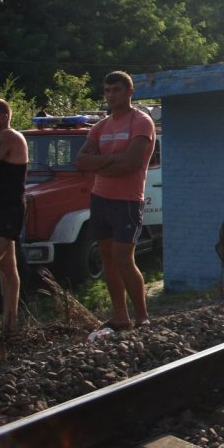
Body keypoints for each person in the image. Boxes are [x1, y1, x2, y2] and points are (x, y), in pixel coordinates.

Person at [75, 72, 156, 329]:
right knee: (108, 258)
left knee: (123, 258)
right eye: (107, 90)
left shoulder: (141, 122)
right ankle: (121, 316)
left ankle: (142, 316)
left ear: (129, 92)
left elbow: (132, 163)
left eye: (116, 90)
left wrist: (99, 163)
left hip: (127, 201)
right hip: (101, 199)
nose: (111, 95)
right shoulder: (100, 127)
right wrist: (112, 162)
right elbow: (81, 161)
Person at [0, 99, 28, 335]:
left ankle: (10, 323)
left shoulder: (8, 136)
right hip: (1, 208)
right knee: (8, 269)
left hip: (8, 210)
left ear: (3, 116)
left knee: (7, 268)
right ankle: (10, 325)